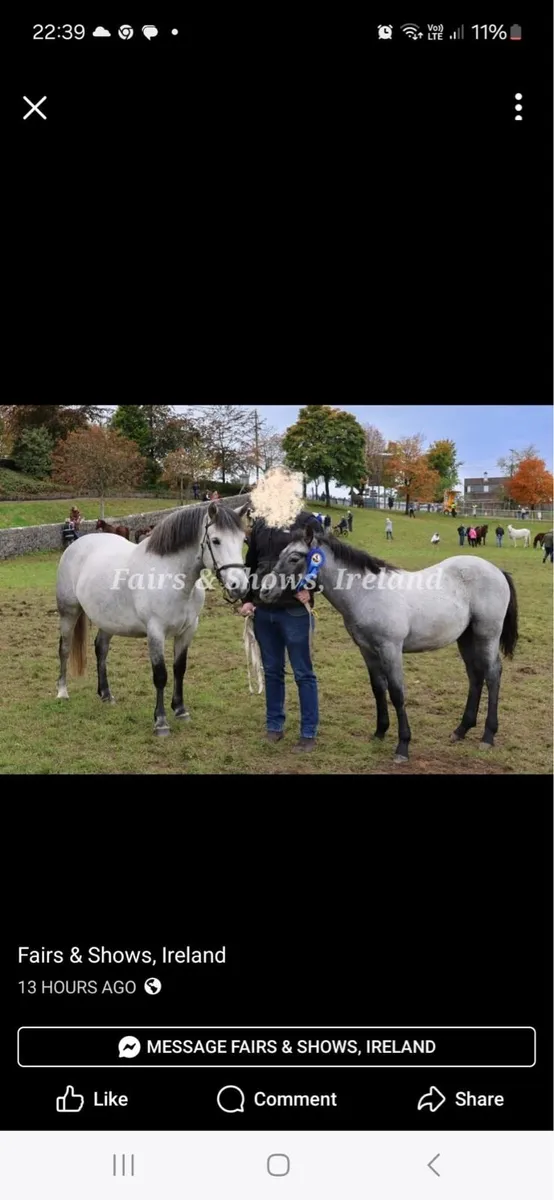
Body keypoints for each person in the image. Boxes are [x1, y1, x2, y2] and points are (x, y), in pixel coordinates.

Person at [239, 511, 323, 752]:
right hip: (264, 610)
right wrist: (247, 598)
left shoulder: (307, 521)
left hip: (295, 610)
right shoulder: (261, 524)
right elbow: (251, 563)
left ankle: (308, 732)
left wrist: (312, 587)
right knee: (272, 671)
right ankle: (274, 726)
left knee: (303, 673)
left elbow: (320, 558)